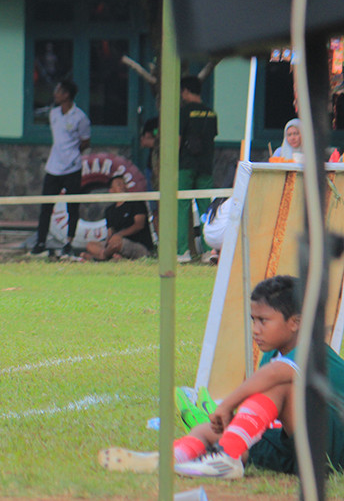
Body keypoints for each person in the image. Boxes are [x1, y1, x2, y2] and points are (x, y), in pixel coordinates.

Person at [101, 275, 344, 479]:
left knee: (279, 385)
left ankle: (227, 457)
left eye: (263, 320)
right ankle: (169, 459)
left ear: (295, 323)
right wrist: (235, 421)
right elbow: (267, 401)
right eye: (253, 320)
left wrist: (227, 405)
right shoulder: (271, 355)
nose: (255, 329)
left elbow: (275, 376)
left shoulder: (313, 351)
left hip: (330, 452)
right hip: (295, 448)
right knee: (207, 430)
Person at [30, 80, 91, 259]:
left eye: (58, 91)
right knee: (46, 206)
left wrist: (71, 155)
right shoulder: (54, 114)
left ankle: (68, 243)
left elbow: (86, 141)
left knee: (72, 207)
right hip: (53, 167)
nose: (55, 94)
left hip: (72, 168)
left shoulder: (80, 117)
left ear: (66, 95)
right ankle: (40, 241)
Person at [177, 76, 217, 263]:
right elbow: (211, 138)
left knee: (181, 207)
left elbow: (177, 140)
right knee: (206, 208)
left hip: (185, 166)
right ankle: (209, 251)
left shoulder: (184, 112)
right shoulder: (211, 113)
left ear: (185, 91)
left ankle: (182, 251)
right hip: (205, 166)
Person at [82, 175, 154, 261]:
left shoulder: (136, 202)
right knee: (91, 245)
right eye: (119, 184)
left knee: (117, 244)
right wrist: (109, 241)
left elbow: (139, 225)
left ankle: (102, 257)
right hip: (115, 242)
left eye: (124, 184)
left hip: (137, 244)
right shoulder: (110, 210)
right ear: (111, 190)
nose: (123, 186)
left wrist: (119, 235)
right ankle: (112, 256)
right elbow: (110, 232)